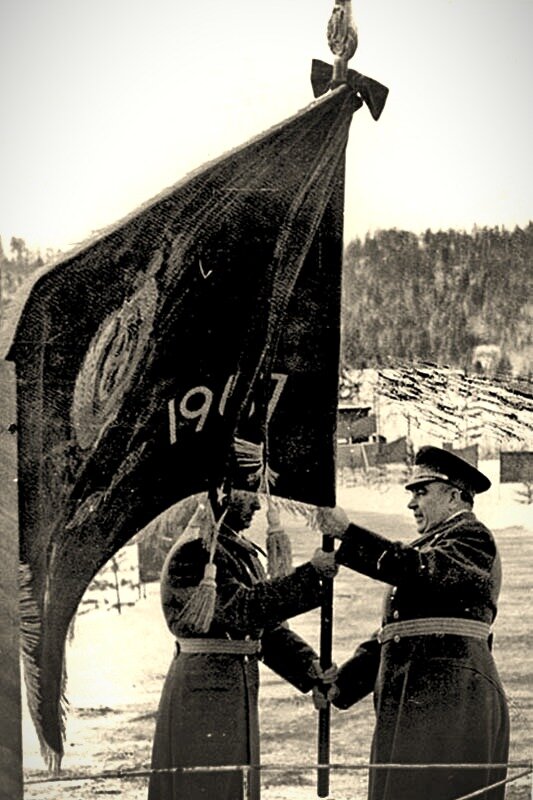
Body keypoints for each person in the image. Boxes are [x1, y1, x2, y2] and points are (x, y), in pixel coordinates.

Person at [317, 445, 510, 800]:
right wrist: (341, 685)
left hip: (449, 701)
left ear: (454, 496)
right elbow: (395, 633)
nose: (411, 504)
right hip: (419, 699)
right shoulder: (434, 544)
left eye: (421, 492)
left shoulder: (472, 538)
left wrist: (349, 535)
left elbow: (419, 571)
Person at [148, 490, 337, 800]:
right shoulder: (197, 551)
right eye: (249, 495)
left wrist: (308, 666)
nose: (258, 504)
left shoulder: (233, 548)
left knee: (232, 786)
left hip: (227, 688)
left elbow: (263, 631)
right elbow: (244, 610)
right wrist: (311, 575)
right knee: (205, 788)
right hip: (204, 693)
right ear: (222, 492)